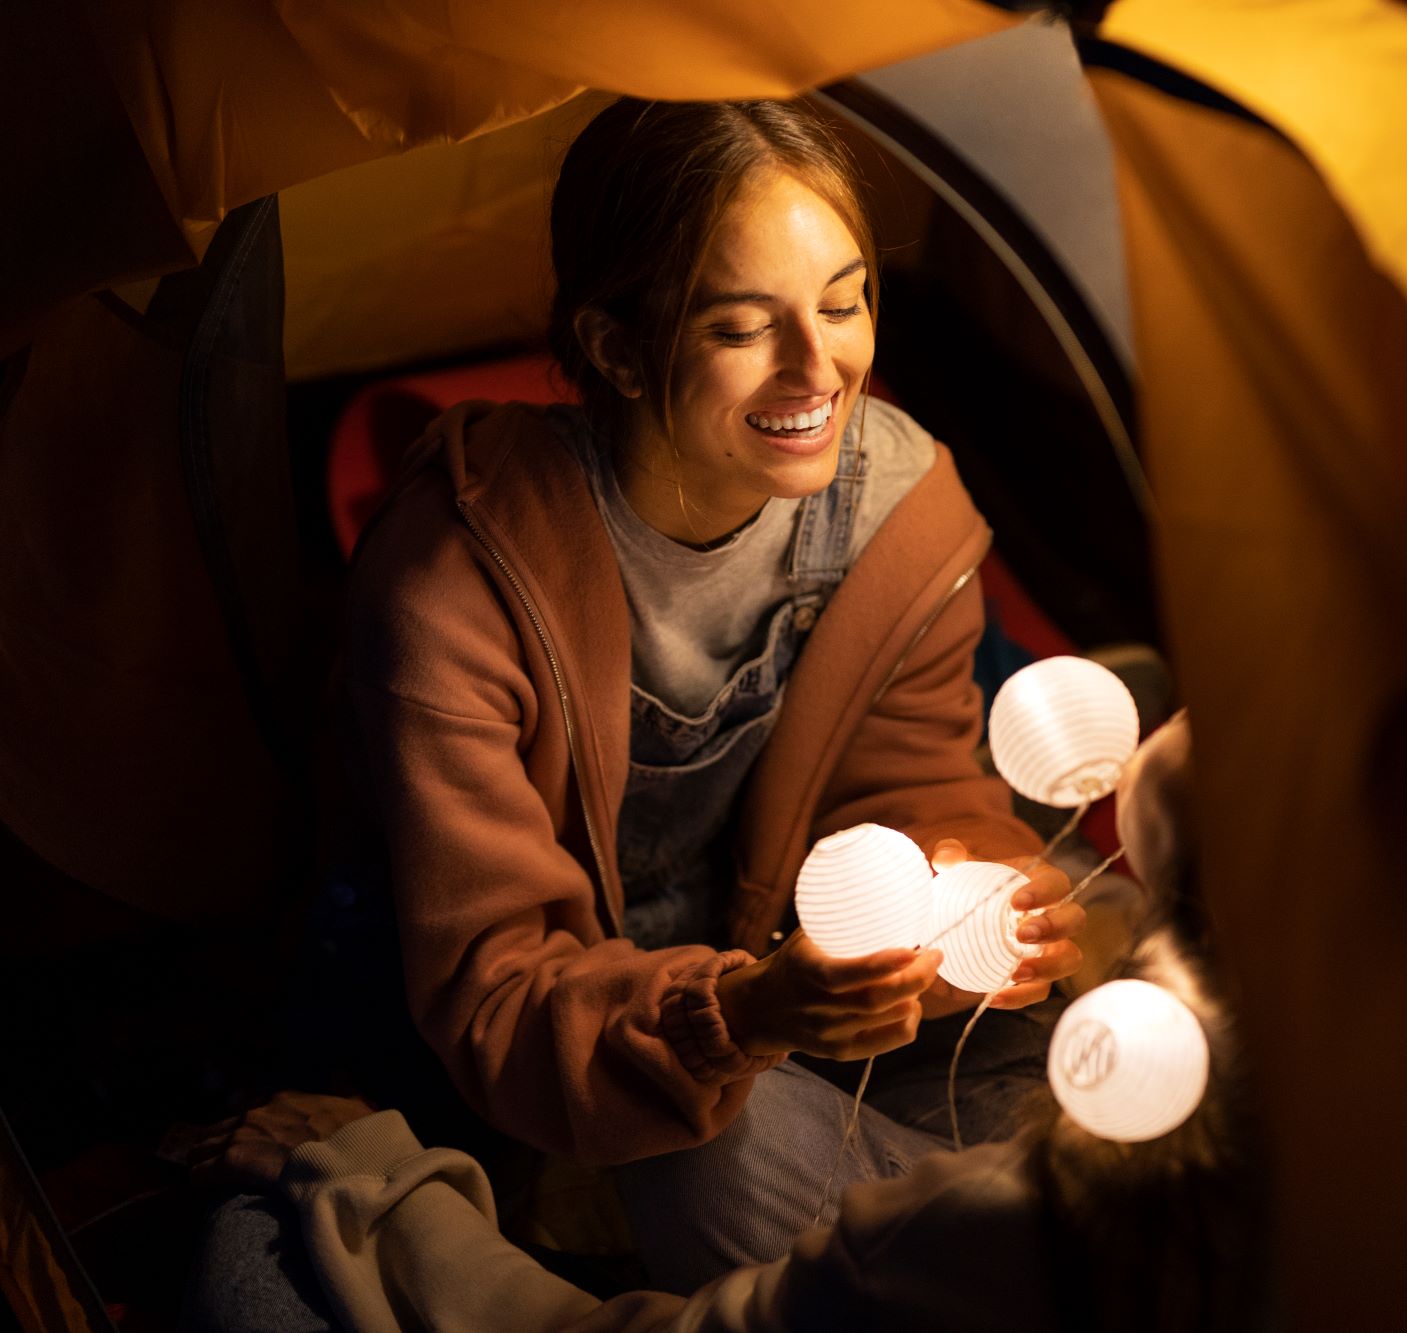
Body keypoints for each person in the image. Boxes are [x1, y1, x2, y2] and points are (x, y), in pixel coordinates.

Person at [333, 96, 1086, 1285]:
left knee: (1099, 1073)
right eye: (743, 327)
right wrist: (742, 1020)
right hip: (620, 1044)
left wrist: (979, 903)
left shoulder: (895, 505)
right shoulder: (454, 585)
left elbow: (915, 787)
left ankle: (959, 1257)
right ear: (619, 347)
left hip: (813, 991)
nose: (820, 367)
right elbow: (498, 983)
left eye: (844, 303)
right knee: (712, 1158)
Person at [189, 714, 1270, 1333]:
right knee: (692, 1130)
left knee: (250, 1255)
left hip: (1020, 1261)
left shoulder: (1027, 1225)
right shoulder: (1377, 1048)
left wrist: (383, 1179)